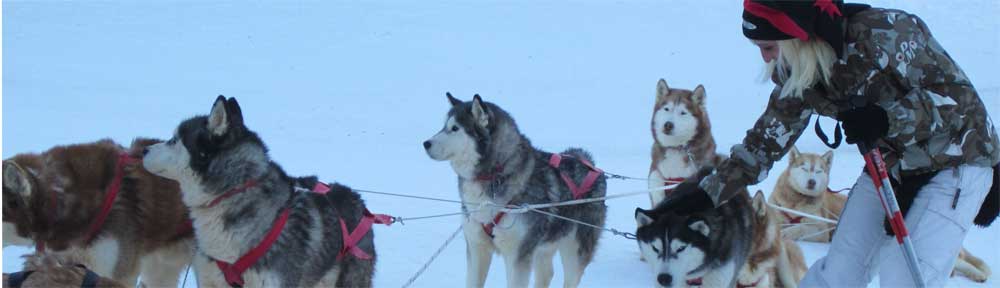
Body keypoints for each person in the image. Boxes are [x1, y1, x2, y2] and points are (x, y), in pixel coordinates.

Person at [659, 0, 1000, 286]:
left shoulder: (884, 33)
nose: (765, 59)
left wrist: (887, 118)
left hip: (955, 162)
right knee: (838, 273)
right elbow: (766, 141)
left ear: (795, 34)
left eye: (768, 47)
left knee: (906, 277)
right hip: (890, 167)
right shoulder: (799, 70)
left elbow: (959, 103)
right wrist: (705, 192)